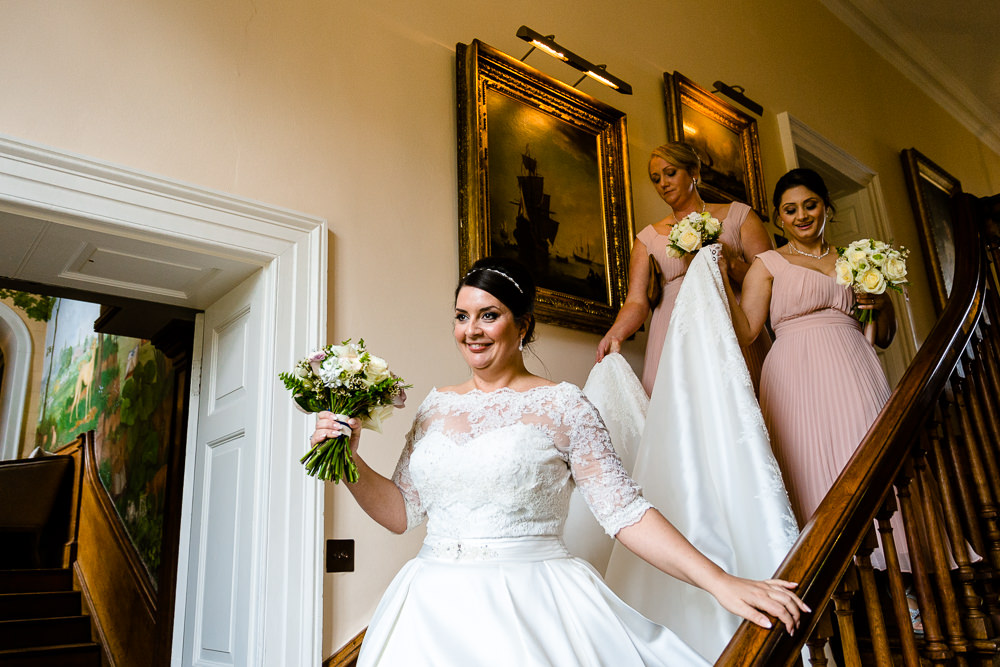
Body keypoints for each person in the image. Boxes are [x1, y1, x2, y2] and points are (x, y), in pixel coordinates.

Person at [313, 256, 808, 666]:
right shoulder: (434, 407)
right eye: (462, 316)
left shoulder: (564, 405)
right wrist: (349, 461)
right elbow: (402, 513)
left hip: (531, 602)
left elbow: (625, 511)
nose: (472, 331)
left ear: (523, 325)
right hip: (429, 608)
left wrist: (719, 581)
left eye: (490, 315)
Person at [721, 168, 898, 554]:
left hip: (854, 364)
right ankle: (828, 579)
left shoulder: (857, 259)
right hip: (792, 374)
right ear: (778, 217)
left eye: (810, 205)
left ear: (826, 207)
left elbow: (883, 335)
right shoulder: (767, 264)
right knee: (805, 465)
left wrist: (881, 301)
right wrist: (717, 280)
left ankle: (895, 570)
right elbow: (749, 331)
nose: (801, 215)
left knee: (868, 458)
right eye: (790, 209)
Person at [596, 141, 773, 395]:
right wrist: (615, 334)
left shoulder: (739, 216)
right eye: (656, 179)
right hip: (675, 331)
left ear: (694, 172)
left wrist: (731, 263)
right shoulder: (647, 238)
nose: (663, 184)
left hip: (732, 322)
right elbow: (636, 301)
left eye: (670, 173)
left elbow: (769, 278)